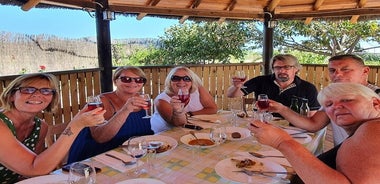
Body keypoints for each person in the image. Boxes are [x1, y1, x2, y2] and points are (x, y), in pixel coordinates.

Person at [249, 83, 380, 183]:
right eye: (329, 104)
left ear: (375, 103)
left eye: (347, 100)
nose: (336, 107)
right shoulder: (364, 129)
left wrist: (282, 142)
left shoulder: (374, 129)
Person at [0, 73, 105, 183]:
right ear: (11, 95)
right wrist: (76, 125)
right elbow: (35, 168)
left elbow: (38, 167)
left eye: (46, 91)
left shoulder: (40, 127)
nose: (37, 94)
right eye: (28, 90)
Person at [268, 54, 380, 145]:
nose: (338, 75)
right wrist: (281, 109)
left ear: (365, 71)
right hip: (341, 155)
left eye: (345, 70)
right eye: (332, 70)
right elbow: (313, 124)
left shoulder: (376, 95)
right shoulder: (334, 98)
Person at [67, 66, 154, 163]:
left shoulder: (142, 99)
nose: (133, 83)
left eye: (139, 80)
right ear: (115, 81)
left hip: (131, 155)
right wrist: (125, 110)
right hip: (97, 156)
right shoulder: (100, 102)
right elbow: (100, 137)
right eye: (126, 79)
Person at [226, 54, 320, 117]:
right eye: (277, 67)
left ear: (296, 69)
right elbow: (231, 95)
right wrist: (236, 87)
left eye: (287, 67)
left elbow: (311, 116)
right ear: (273, 69)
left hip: (295, 128)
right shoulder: (260, 80)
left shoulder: (308, 88)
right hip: (264, 125)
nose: (282, 71)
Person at [151, 66, 218, 133]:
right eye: (176, 78)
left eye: (186, 78)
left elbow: (213, 109)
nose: (181, 81)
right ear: (169, 81)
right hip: (168, 135)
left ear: (192, 81)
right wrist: (179, 112)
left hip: (196, 129)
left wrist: (189, 114)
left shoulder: (198, 89)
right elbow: (178, 124)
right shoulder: (161, 100)